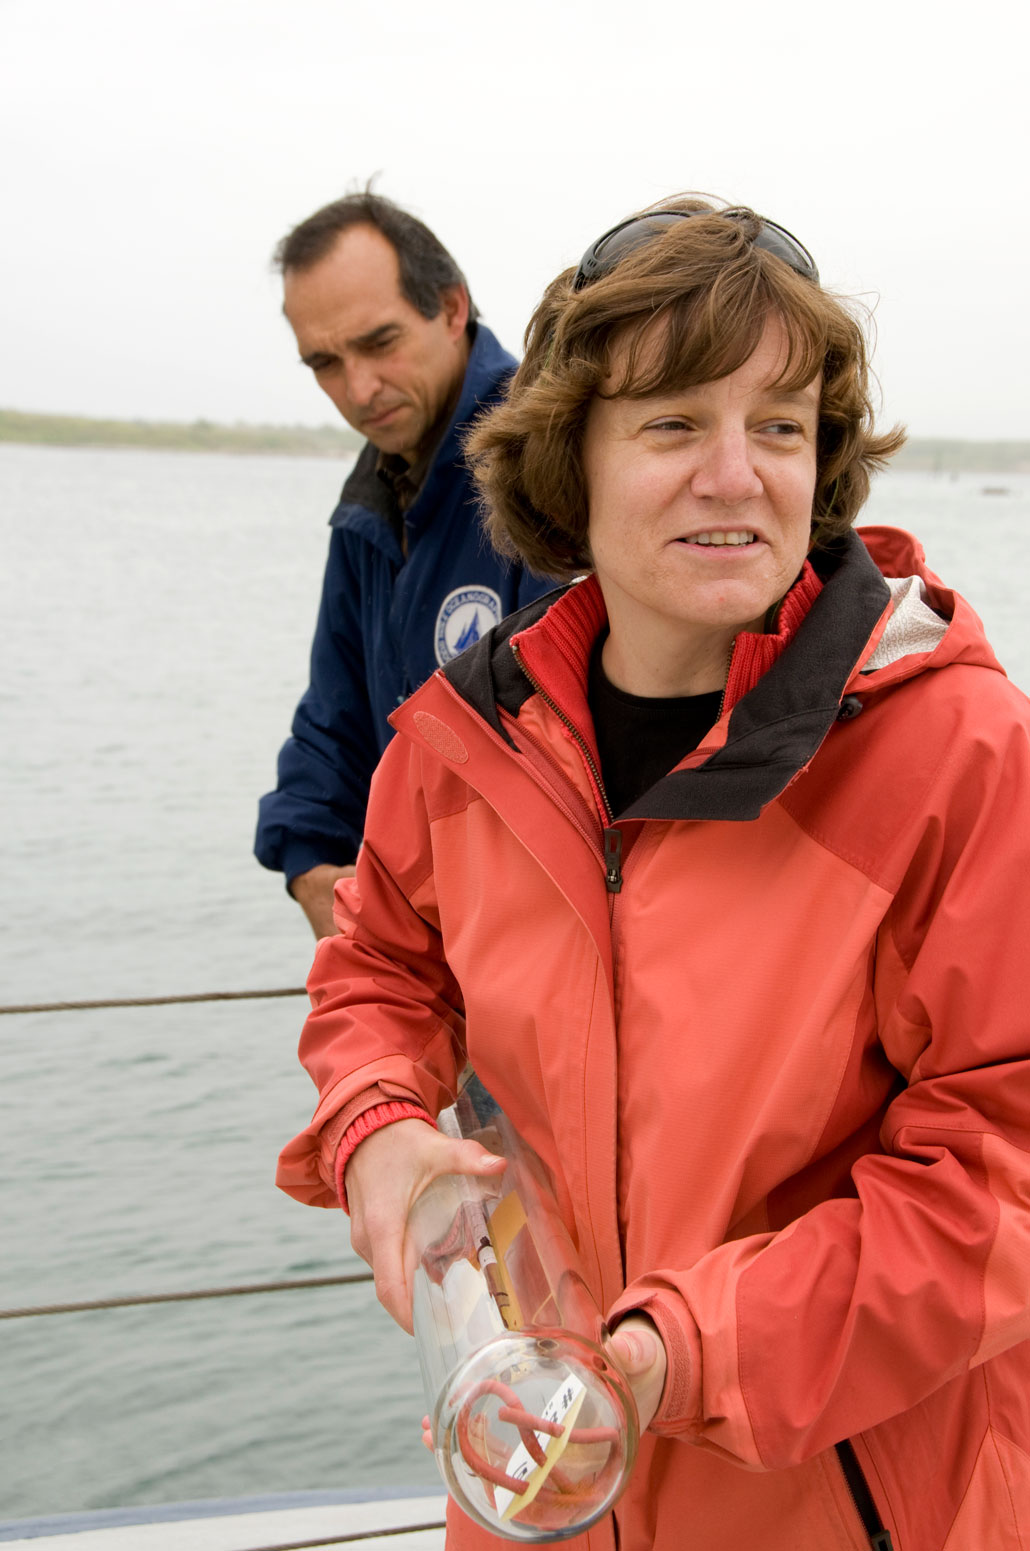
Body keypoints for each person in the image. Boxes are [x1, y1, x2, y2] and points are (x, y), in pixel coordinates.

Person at [276, 197, 1030, 1550]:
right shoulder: (461, 745)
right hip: (538, 1480)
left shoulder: (959, 755)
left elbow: (1003, 1171)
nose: (735, 475)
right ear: (568, 457)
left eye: (779, 426)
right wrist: (377, 1120)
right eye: (673, 424)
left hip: (848, 1506)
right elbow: (377, 968)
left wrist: (682, 1351)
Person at [254, 191, 553, 938]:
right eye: (326, 363)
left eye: (379, 342)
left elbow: (573, 764)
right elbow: (334, 718)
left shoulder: (548, 467)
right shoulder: (371, 497)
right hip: (415, 945)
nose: (358, 390)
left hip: (527, 947)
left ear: (452, 308)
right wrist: (311, 864)